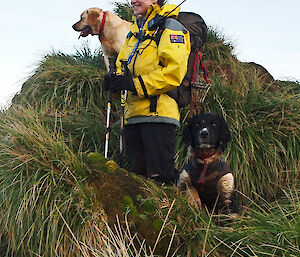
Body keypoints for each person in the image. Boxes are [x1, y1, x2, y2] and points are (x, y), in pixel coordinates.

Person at [103, 0, 190, 184]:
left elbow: (173, 73)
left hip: (158, 115)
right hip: (133, 116)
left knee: (161, 181)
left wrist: (135, 84)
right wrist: (115, 81)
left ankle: (172, 212)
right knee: (139, 181)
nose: (133, 1)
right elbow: (122, 65)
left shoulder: (170, 27)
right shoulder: (134, 33)